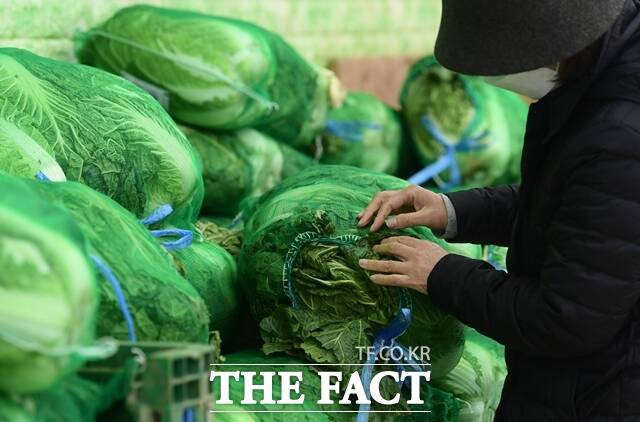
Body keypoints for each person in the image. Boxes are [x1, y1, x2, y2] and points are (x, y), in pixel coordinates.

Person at [357, 0, 640, 420]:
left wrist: (442, 274)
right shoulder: (597, 81)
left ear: (543, 38)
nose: (497, 78)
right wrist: (450, 210)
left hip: (601, 398)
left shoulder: (620, 132)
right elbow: (571, 207)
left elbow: (565, 319)